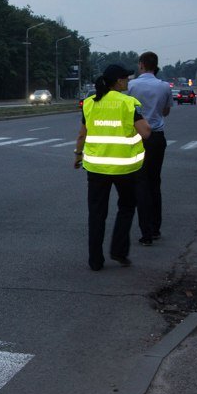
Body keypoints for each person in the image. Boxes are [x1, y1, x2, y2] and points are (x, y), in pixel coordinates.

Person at [74, 64, 151, 271]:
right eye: (126, 79)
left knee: (97, 213)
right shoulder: (128, 103)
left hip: (96, 168)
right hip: (125, 169)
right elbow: (145, 132)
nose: (128, 82)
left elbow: (82, 134)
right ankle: (118, 251)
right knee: (126, 207)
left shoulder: (90, 103)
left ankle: (95, 261)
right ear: (118, 81)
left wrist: (77, 155)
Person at [127, 51, 172, 246]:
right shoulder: (164, 87)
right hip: (156, 137)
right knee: (155, 182)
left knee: (140, 183)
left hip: (137, 137)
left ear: (142, 65)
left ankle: (145, 232)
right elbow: (166, 111)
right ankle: (155, 228)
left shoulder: (131, 86)